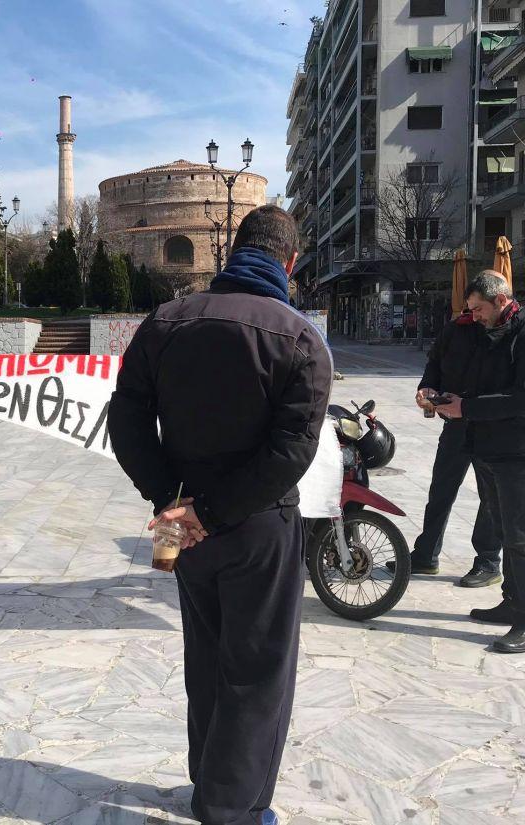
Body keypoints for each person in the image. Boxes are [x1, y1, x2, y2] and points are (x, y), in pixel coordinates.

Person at [108, 205, 333, 825]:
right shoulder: (300, 338)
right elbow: (291, 451)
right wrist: (208, 510)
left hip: (186, 522)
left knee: (206, 656)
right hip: (257, 521)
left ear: (233, 252)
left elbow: (125, 420)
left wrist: (171, 500)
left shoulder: (165, 323)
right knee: (258, 668)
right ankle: (231, 807)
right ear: (289, 262)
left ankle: (207, 780)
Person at [438, 272, 525, 654]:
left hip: (523, 451)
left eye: (478, 309)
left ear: (502, 299)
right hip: (491, 448)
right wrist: (443, 397)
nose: (472, 316)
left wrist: (467, 407)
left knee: (522, 536)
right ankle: (512, 601)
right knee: (506, 531)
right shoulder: (492, 335)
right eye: (470, 309)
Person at [404, 306, 502, 586]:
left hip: (487, 424)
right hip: (455, 423)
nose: (475, 312)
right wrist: (427, 386)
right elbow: (434, 362)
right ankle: (426, 555)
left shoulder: (504, 330)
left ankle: (488, 561)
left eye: (479, 306)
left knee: (490, 496)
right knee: (441, 489)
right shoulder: (455, 328)